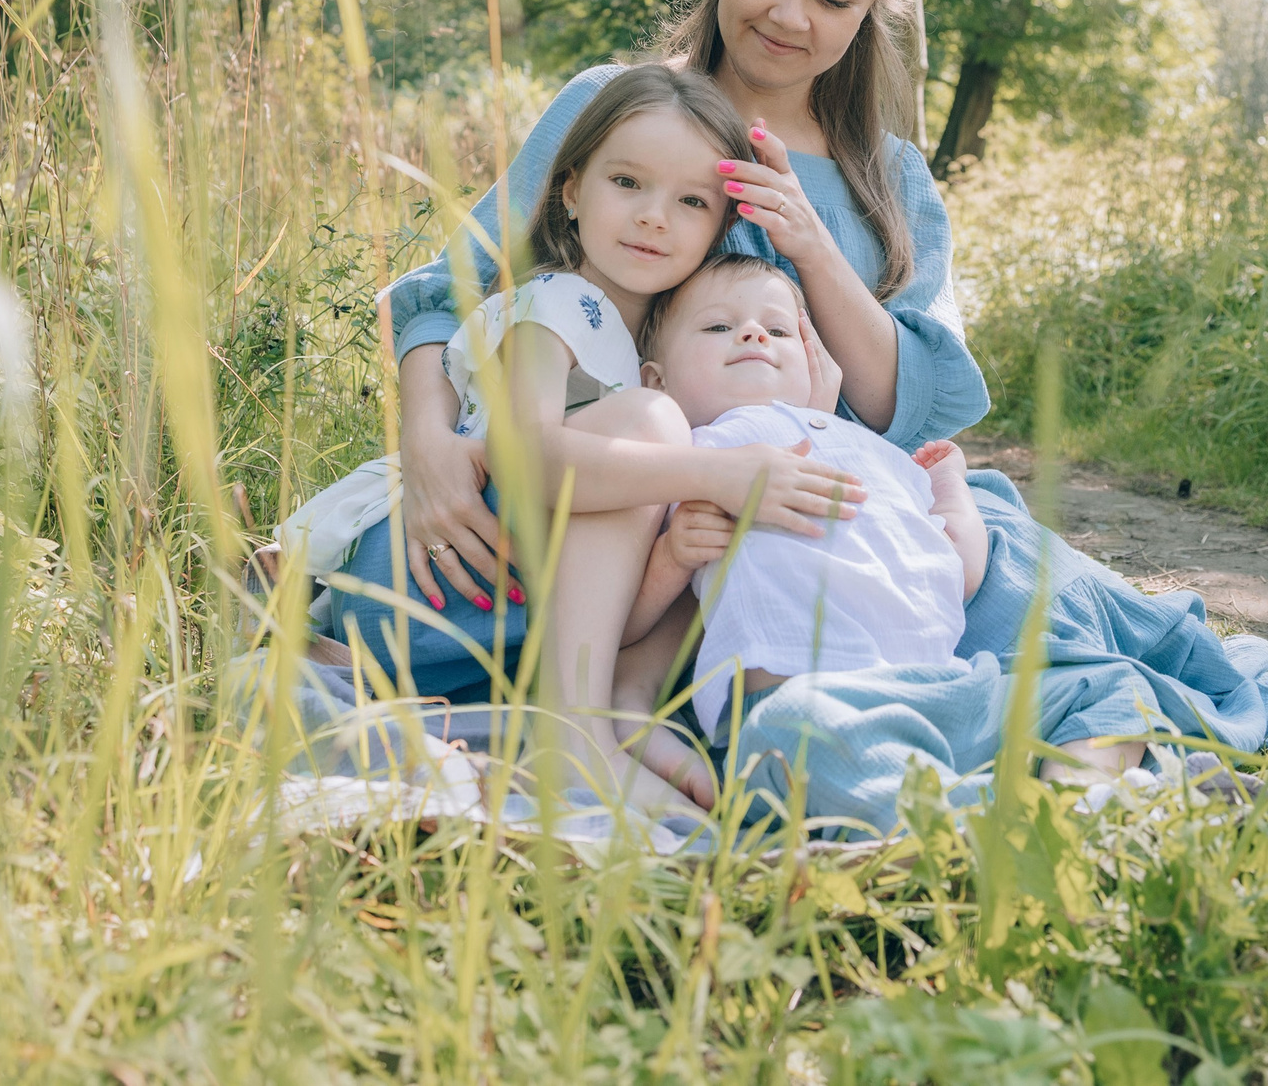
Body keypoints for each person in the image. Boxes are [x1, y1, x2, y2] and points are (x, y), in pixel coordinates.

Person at [381, 0, 987, 634]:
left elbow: (900, 407)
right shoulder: (617, 107)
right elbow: (443, 292)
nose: (788, 14)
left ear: (873, 10)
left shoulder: (890, 176)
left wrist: (809, 241)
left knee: (1016, 601)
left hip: (810, 527)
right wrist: (427, 445)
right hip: (611, 503)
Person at [288, 65, 865, 813]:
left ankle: (621, 706)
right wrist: (717, 473)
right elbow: (523, 460)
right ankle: (580, 731)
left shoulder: (649, 348)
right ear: (570, 191)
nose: (655, 216)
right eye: (628, 182)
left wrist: (795, 420)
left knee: (713, 511)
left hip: (508, 612)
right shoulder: (562, 304)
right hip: (429, 571)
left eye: (691, 200)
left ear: (719, 227)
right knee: (671, 442)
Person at [608, 254, 1004, 805]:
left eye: (777, 329)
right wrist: (673, 556)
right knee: (810, 740)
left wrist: (951, 487)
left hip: (942, 686)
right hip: (805, 697)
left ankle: (1032, 802)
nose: (751, 332)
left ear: (814, 360)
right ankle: (961, 823)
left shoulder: (879, 454)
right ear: (658, 380)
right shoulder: (692, 453)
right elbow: (625, 633)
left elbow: (957, 568)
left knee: (1085, 693)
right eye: (719, 326)